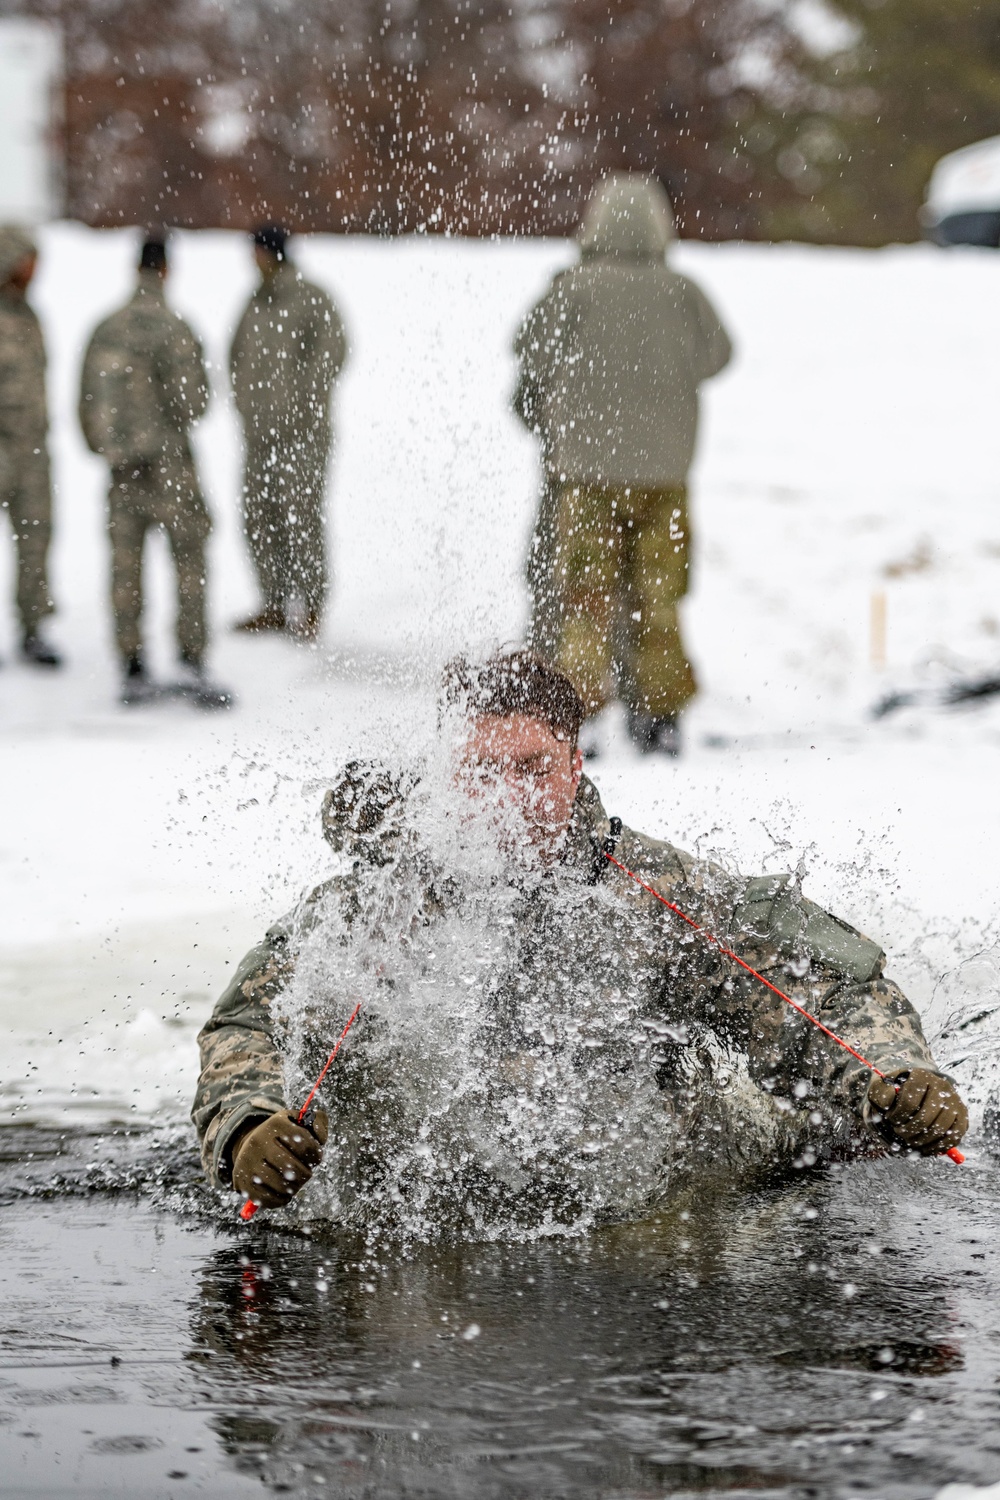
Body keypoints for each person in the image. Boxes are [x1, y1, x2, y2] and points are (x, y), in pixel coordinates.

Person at [192, 651, 967, 1223]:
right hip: (420, 1209)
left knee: (821, 1137)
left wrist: (890, 1081)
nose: (508, 800)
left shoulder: (659, 894)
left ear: (575, 760)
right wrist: (249, 1130)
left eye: (531, 769)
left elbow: (817, 992)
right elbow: (251, 1021)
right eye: (480, 775)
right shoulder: (375, 907)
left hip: (639, 1191)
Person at [513, 174, 732, 756]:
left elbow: (529, 351)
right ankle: (659, 718)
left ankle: (574, 721)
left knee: (586, 598)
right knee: (658, 598)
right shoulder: (683, 291)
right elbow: (718, 355)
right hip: (665, 478)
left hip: (586, 476)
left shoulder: (575, 289)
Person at [79, 235, 230, 708]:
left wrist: (109, 448)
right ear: (166, 269)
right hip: (171, 468)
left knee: (126, 566)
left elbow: (85, 401)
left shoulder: (107, 327)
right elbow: (195, 403)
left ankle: (132, 664)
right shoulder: (175, 328)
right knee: (188, 560)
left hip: (123, 471)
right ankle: (191, 659)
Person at [229, 224, 347, 642]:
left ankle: (311, 607)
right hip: (260, 436)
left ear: (272, 253)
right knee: (260, 517)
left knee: (301, 518)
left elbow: (332, 353)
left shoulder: (311, 298)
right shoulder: (254, 304)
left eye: (257, 252)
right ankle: (274, 603)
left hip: (302, 436)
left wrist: (300, 406)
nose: (252, 261)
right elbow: (236, 357)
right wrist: (247, 407)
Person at [0, 225, 60, 668]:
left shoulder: (30, 315)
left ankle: (33, 628)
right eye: (28, 260)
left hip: (32, 452)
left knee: (36, 539)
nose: (34, 270)